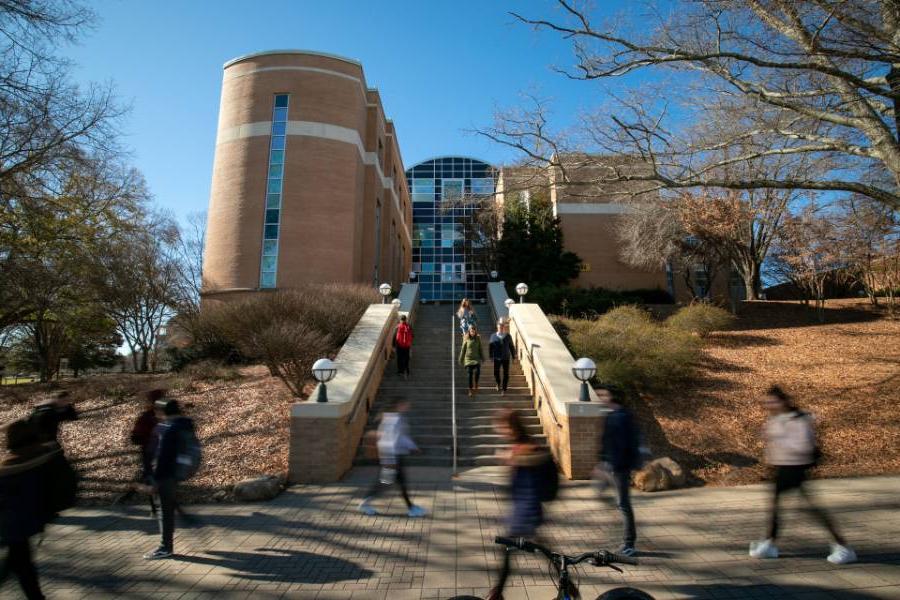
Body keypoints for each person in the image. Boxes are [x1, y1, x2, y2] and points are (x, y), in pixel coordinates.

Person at [749, 385, 856, 564]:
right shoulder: (775, 419)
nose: (768, 405)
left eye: (772, 401)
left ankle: (843, 547)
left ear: (783, 401)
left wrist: (778, 438)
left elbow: (803, 446)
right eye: (766, 402)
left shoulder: (799, 419)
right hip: (781, 469)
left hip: (796, 469)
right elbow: (772, 445)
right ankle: (769, 544)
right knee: (776, 509)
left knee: (811, 510)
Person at [0, 420, 56, 599]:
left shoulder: (12, 464)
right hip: (29, 519)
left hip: (12, 522)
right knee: (20, 563)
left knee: (20, 562)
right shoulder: (41, 456)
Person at [143, 398, 196, 560]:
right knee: (168, 508)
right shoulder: (185, 425)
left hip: (166, 475)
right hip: (178, 472)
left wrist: (155, 479)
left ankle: (165, 546)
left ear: (162, 412)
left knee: (165, 512)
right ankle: (186, 523)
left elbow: (163, 457)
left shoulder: (168, 429)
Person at [358, 400, 426, 518]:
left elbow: (400, 437)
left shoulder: (395, 418)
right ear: (398, 405)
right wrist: (389, 461)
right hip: (393, 457)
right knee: (387, 482)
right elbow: (389, 440)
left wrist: (413, 447)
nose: (408, 406)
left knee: (395, 483)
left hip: (395, 456)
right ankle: (365, 503)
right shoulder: (394, 419)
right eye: (405, 404)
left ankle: (411, 507)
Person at [598, 386, 641, 557]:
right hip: (612, 466)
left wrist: (614, 466)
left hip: (619, 468)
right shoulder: (612, 415)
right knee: (619, 503)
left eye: (603, 394)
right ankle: (626, 539)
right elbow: (607, 442)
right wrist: (601, 462)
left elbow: (625, 445)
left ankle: (629, 544)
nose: (600, 397)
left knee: (624, 505)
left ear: (612, 397)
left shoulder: (621, 417)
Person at [125, 389, 162, 515]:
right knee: (152, 479)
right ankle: (155, 507)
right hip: (150, 453)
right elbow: (136, 437)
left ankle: (159, 506)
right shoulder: (147, 417)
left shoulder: (161, 416)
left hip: (161, 452)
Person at [489, 319, 515, 395]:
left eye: (502, 327)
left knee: (506, 374)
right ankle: (498, 383)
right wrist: (491, 356)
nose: (501, 328)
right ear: (497, 327)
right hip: (496, 358)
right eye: (499, 326)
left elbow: (511, 347)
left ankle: (504, 389)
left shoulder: (508, 336)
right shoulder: (493, 336)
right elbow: (491, 347)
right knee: (495, 373)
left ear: (504, 327)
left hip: (506, 358)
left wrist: (513, 357)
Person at [459, 324, 483, 396]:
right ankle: (470, 389)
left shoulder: (478, 338)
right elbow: (463, 349)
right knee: (470, 374)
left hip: (476, 359)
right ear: (469, 331)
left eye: (474, 331)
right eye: (471, 331)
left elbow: (480, 349)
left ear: (475, 332)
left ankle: (476, 383)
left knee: (477, 372)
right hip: (468, 359)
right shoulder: (466, 338)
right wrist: (461, 359)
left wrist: (482, 357)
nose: (472, 333)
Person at [392, 314, 413, 379]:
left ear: (400, 320)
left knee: (399, 358)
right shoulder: (409, 326)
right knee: (406, 358)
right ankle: (406, 370)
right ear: (406, 319)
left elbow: (394, 337)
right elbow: (412, 335)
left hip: (399, 345)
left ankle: (400, 371)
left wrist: (393, 345)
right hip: (407, 346)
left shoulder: (397, 327)